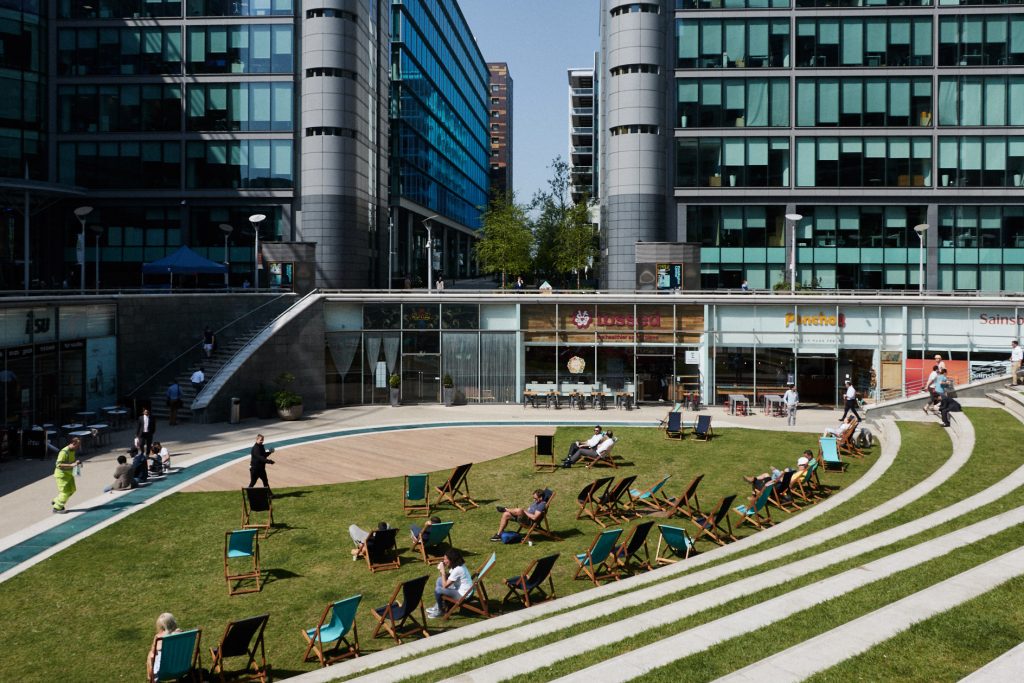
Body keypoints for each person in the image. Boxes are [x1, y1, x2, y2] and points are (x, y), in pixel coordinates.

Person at [426, 548, 472, 618]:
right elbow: (446, 578)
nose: (444, 561)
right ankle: (439, 606)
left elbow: (445, 586)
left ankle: (440, 611)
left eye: (445, 559)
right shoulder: (457, 565)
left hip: (463, 595)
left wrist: (443, 571)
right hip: (462, 590)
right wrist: (442, 571)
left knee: (438, 590)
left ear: (452, 559)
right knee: (439, 580)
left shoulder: (458, 569)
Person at [146, 612, 182, 683]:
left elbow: (153, 654)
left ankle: (151, 678)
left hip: (163, 672)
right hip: (181, 667)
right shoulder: (182, 635)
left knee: (150, 655)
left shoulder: (159, 638)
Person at [51, 437, 82, 513]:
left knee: (72, 490)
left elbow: (71, 461)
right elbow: (58, 464)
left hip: (69, 474)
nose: (78, 447)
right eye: (77, 446)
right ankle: (57, 508)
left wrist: (77, 462)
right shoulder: (64, 452)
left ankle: (56, 501)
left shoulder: (72, 451)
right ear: (72, 443)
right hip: (62, 475)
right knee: (65, 492)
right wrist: (72, 465)